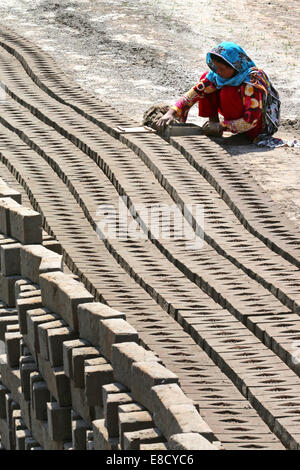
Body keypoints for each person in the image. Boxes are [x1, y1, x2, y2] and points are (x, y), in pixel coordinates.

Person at [157, 42, 283, 147]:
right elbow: (197, 91)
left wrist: (221, 126)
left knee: (228, 92)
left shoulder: (252, 82)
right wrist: (172, 112)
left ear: (235, 67)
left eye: (222, 69)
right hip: (236, 117)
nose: (218, 72)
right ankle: (214, 124)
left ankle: (226, 130)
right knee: (207, 79)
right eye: (215, 67)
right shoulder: (218, 76)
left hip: (257, 126)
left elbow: (250, 120)